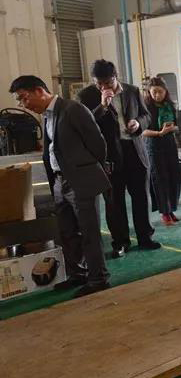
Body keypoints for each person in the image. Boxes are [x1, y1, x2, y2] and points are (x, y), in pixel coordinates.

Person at [10, 75, 111, 298]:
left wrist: (87, 171)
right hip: (58, 181)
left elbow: (98, 144)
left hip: (80, 180)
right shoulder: (48, 116)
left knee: (89, 231)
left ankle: (99, 278)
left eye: (24, 98)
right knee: (67, 231)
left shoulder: (73, 109)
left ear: (39, 91)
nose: (23, 104)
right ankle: (78, 274)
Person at [78, 60, 161, 257]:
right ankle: (120, 242)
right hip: (110, 155)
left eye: (108, 82)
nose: (104, 87)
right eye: (99, 83)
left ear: (116, 77)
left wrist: (138, 123)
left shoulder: (132, 91)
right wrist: (102, 106)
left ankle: (145, 237)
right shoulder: (86, 96)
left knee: (141, 197)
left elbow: (146, 115)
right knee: (114, 201)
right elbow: (84, 124)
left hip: (134, 150)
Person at [142, 77, 181, 226]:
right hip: (153, 145)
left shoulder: (169, 106)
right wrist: (159, 133)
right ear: (149, 92)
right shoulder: (145, 108)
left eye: (160, 92)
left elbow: (177, 126)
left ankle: (171, 209)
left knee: (175, 175)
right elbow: (143, 131)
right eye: (154, 92)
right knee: (160, 178)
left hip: (169, 144)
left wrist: (172, 129)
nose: (157, 95)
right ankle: (164, 212)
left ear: (166, 91)